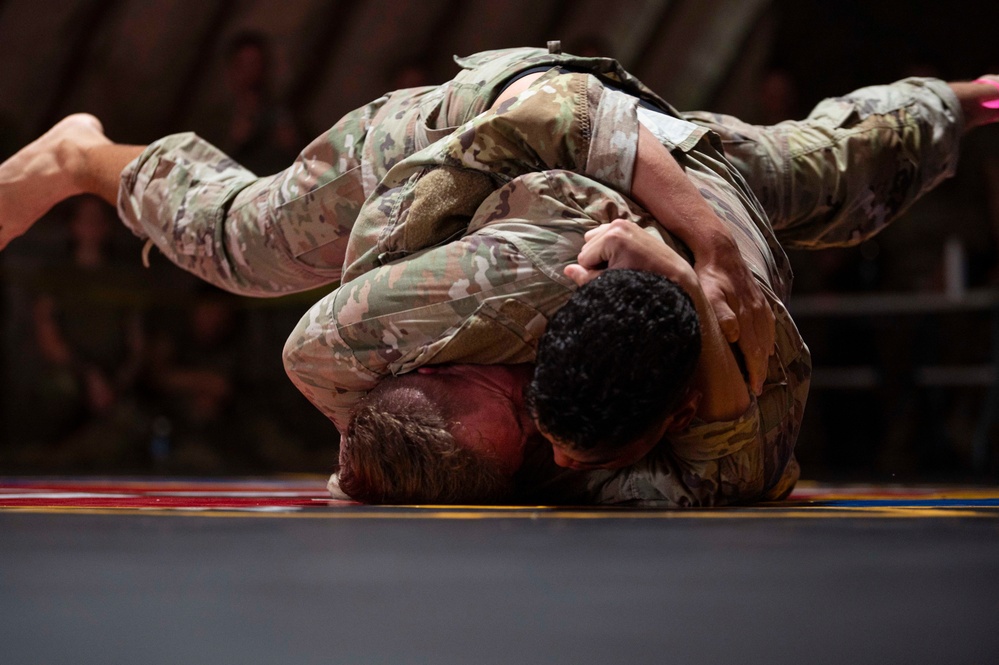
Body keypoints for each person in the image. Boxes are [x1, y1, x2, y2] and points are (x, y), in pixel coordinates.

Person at [2, 46, 997, 504]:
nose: (559, 462)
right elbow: (550, 110)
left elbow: (845, 146)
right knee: (247, 242)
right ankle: (83, 156)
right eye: (536, 423)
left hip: (695, 163)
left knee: (838, 164)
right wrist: (703, 250)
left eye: (539, 438)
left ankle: (972, 94)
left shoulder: (727, 418)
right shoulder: (489, 284)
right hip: (485, 127)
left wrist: (687, 259)